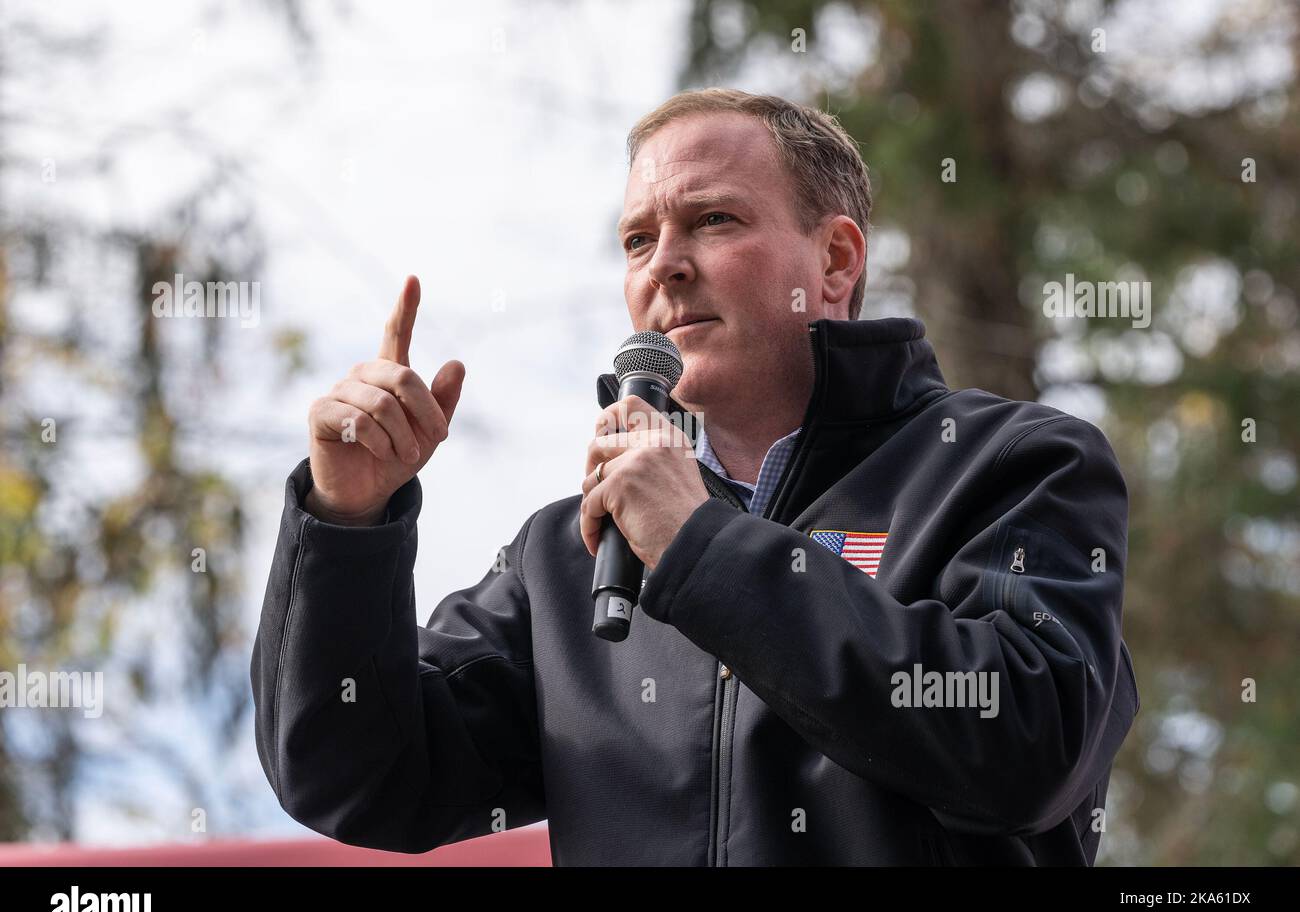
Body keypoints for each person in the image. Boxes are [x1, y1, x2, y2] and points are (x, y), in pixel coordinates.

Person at [250, 88, 1139, 865]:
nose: (664, 263)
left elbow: (1030, 741)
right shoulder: (567, 557)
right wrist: (348, 523)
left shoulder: (1011, 465)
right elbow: (354, 774)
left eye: (713, 220)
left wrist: (701, 549)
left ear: (834, 262)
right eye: (638, 239)